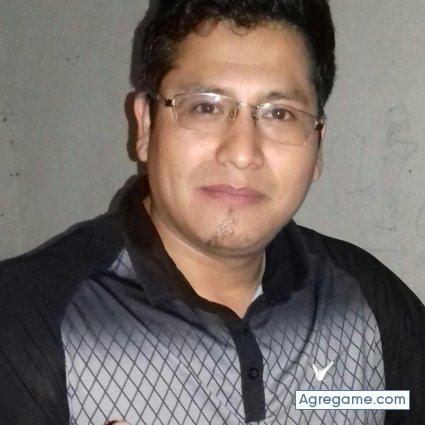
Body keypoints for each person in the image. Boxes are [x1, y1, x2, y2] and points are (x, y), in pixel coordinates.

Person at [0, 1, 424, 424]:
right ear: (145, 127)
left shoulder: (369, 300)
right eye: (205, 106)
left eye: (280, 113)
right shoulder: (24, 321)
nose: (241, 152)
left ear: (318, 144)